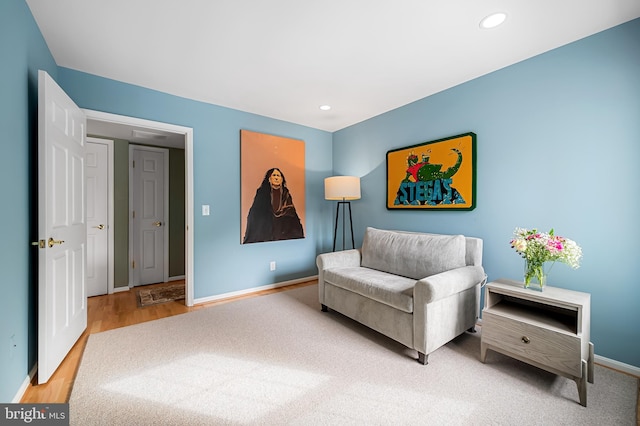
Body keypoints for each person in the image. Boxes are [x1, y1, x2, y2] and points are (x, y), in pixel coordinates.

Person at [243, 167, 304, 243]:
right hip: (267, 224)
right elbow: (256, 210)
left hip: (283, 225)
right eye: (274, 175)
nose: (276, 178)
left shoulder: (286, 193)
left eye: (278, 176)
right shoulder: (262, 192)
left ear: (282, 179)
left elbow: (290, 211)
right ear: (269, 179)